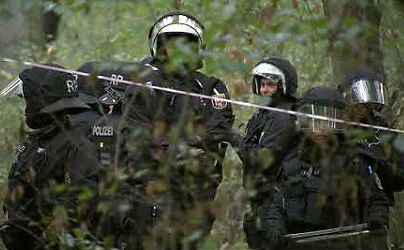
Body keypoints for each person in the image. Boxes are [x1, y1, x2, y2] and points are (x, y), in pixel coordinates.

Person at [121, 11, 235, 249]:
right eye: (173, 45)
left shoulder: (210, 87)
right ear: (160, 48)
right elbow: (136, 135)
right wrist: (176, 149)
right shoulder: (144, 83)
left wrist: (189, 146)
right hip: (151, 195)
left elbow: (219, 130)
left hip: (197, 195)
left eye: (187, 45)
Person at [265, 86, 391, 250]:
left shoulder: (355, 160)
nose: (320, 128)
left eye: (327, 120)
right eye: (314, 120)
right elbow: (278, 205)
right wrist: (276, 230)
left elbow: (377, 200)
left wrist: (377, 221)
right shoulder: (292, 162)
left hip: (347, 243)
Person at [0, 65, 104, 250]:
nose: (25, 108)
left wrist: (43, 243)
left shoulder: (77, 146)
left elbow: (79, 208)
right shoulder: (36, 141)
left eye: (27, 100)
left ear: (41, 102)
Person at [233, 57, 298, 249]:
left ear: (283, 86)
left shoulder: (284, 117)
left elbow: (262, 159)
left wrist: (233, 138)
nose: (264, 90)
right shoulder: (265, 113)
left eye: (270, 85)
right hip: (260, 200)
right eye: (262, 85)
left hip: (276, 201)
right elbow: (249, 152)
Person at [338, 68, 404, 203]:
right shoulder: (334, 126)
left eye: (368, 105)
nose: (363, 109)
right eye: (358, 104)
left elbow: (401, 174)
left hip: (377, 205)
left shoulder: (383, 130)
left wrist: (379, 165)